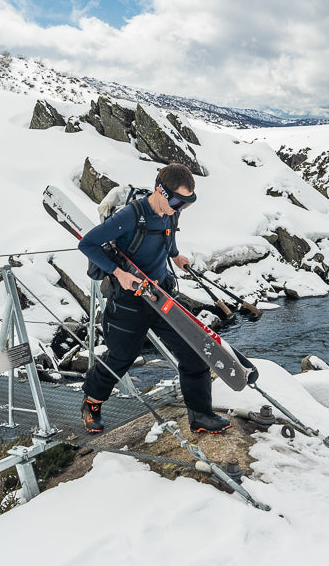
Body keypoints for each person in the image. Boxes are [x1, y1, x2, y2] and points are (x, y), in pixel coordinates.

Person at [77, 163, 231, 435]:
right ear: (160, 190)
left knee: (193, 351)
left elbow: (167, 239)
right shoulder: (130, 215)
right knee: (121, 358)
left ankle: (201, 416)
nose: (180, 207)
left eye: (187, 203)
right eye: (177, 201)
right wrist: (119, 273)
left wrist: (175, 256)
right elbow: (87, 244)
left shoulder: (172, 214)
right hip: (127, 300)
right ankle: (92, 403)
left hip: (161, 298)